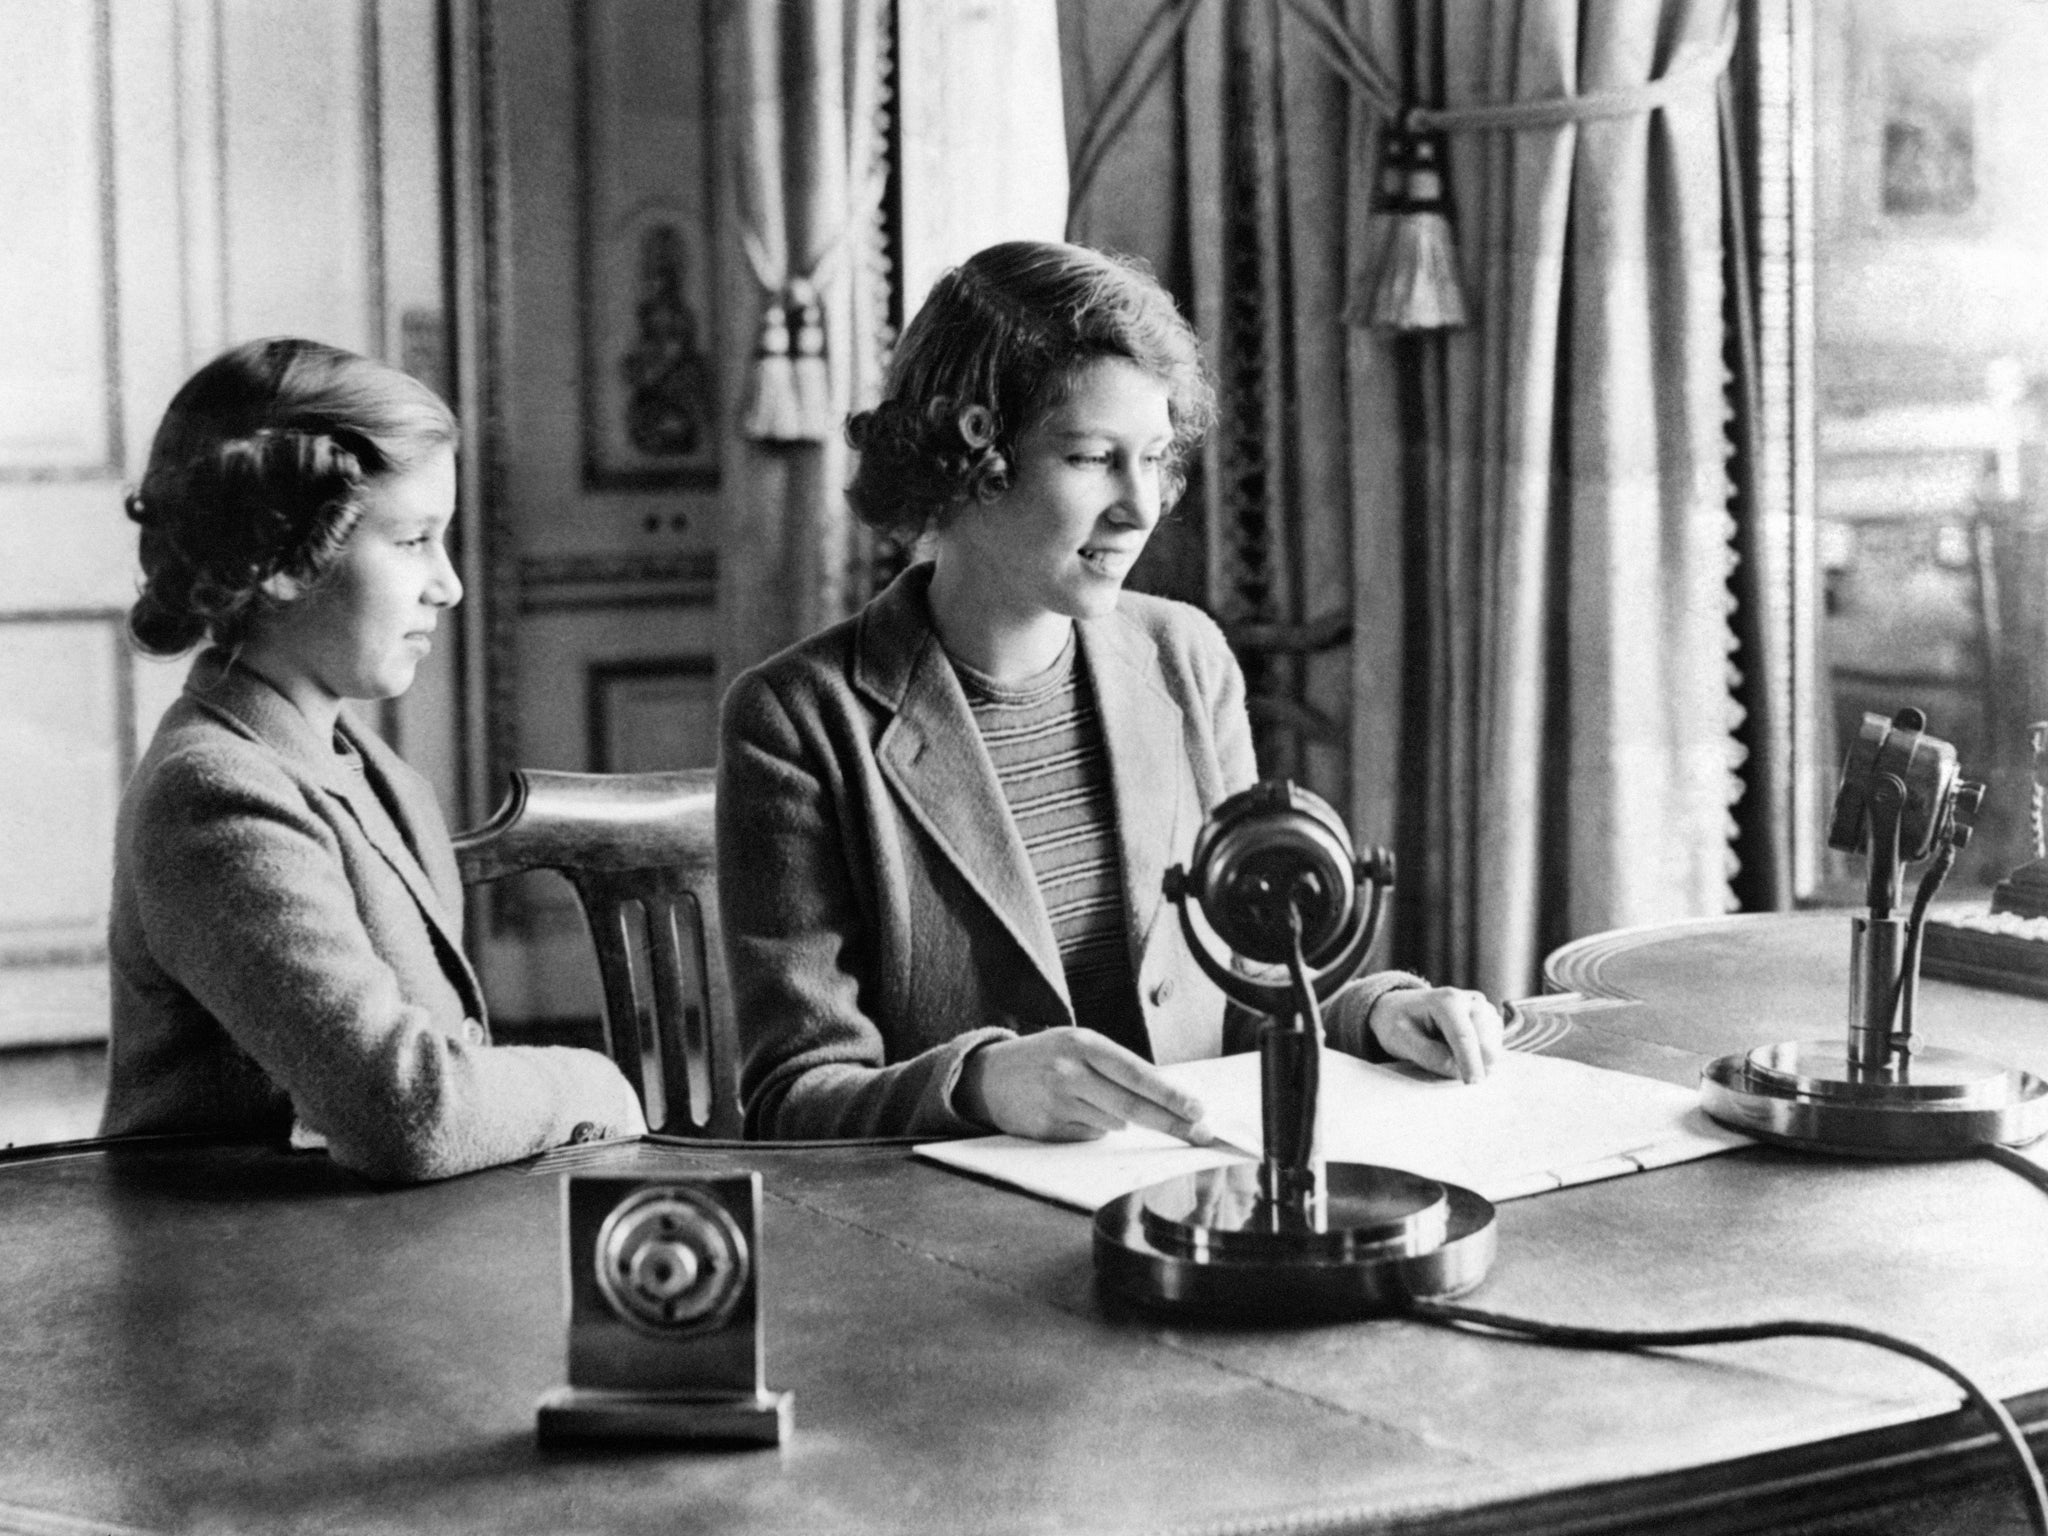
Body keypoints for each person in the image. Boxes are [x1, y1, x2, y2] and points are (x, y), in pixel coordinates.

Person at [718, 240, 1504, 1143]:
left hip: (1183, 1198)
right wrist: (978, 1087)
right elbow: (791, 1099)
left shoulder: (1184, 656)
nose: (1142, 507)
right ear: (967, 458)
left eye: (1157, 458)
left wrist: (1374, 1013)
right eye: (1094, 458)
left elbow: (1239, 985)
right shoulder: (796, 719)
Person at [99, 338, 646, 1182]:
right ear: (283, 557)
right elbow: (411, 1113)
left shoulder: (374, 773)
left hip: (370, 1252)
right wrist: (598, 1081)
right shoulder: (211, 794)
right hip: (236, 1289)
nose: (449, 585)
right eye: (412, 541)